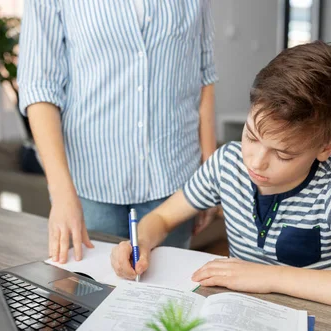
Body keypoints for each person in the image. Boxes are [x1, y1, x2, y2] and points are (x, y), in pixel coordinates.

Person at [110, 41, 331, 320]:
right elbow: (164, 216)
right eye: (251, 136)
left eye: (283, 154)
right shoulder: (227, 164)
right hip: (238, 317)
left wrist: (271, 277)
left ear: (327, 146)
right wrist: (139, 243)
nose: (255, 161)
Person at [17, 0, 218, 264]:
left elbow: (205, 76)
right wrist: (62, 193)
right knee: (91, 299)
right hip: (87, 189)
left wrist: (208, 174)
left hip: (174, 178)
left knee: (166, 301)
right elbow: (39, 89)